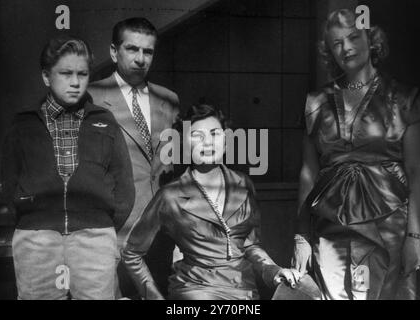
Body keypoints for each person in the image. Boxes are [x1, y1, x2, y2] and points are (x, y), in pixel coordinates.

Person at [292, 9, 420, 300]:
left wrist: (415, 237)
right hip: (330, 229)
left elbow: (417, 171)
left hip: (389, 226)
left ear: (372, 39)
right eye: (337, 43)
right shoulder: (316, 103)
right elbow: (308, 172)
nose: (346, 48)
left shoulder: (404, 98)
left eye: (354, 37)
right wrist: (301, 235)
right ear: (329, 51)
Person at [0, 35, 135, 300]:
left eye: (82, 74)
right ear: (46, 77)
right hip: (36, 240)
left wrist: (100, 225)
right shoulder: (23, 125)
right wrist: (34, 220)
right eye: (66, 73)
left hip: (95, 238)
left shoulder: (105, 122)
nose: (75, 82)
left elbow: (124, 187)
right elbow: (9, 185)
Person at [122, 104, 300, 300]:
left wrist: (275, 272)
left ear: (226, 141)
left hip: (244, 292)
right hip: (194, 290)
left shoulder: (243, 184)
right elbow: (131, 253)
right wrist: (154, 297)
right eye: (197, 136)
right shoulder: (170, 195)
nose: (207, 143)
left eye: (215, 133)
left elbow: (250, 245)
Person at [87, 17, 180, 297]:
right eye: (132, 49)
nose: (140, 59)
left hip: (163, 233)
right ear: (114, 52)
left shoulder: (169, 99)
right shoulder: (91, 96)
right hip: (116, 232)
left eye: (148, 51)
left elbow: (170, 167)